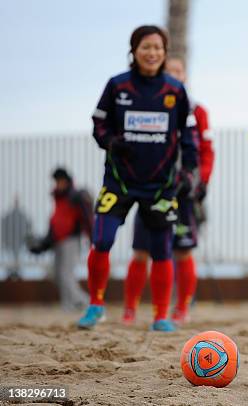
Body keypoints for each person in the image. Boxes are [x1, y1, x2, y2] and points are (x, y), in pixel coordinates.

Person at [77, 25, 198, 332]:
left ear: (164, 51)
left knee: (161, 250)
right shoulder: (117, 86)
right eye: (146, 47)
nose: (152, 53)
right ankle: (96, 306)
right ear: (134, 50)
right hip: (118, 182)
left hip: (160, 186)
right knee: (101, 240)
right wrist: (111, 142)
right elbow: (98, 124)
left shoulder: (175, 90)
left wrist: (188, 172)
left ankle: (160, 316)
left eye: (158, 47)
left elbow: (189, 134)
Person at [122, 56, 214, 325]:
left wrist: (201, 181)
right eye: (169, 71)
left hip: (184, 192)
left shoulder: (198, 111)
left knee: (183, 251)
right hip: (151, 189)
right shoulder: (149, 106)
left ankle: (182, 308)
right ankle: (129, 309)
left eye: (178, 71)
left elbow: (206, 151)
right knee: (141, 250)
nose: (174, 75)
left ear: (185, 76)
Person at [28, 168, 92, 310]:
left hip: (71, 239)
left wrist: (91, 236)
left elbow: (87, 218)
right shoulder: (58, 198)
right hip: (58, 240)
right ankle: (68, 304)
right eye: (57, 181)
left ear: (67, 181)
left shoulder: (75, 196)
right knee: (57, 274)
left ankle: (84, 302)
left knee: (66, 273)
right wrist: (44, 244)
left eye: (60, 181)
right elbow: (56, 222)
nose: (58, 184)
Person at [1, 196, 31, 280]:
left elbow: (28, 225)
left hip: (16, 241)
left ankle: (15, 272)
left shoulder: (19, 215)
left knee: (15, 258)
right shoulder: (14, 215)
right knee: (13, 258)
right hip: (13, 241)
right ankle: (13, 272)